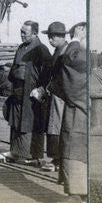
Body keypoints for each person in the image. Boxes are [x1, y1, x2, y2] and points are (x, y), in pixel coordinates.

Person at [46, 21, 89, 203]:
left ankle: (76, 196)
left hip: (78, 111)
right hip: (83, 109)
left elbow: (71, 61)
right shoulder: (89, 56)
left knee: (73, 149)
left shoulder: (79, 55)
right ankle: (83, 194)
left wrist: (75, 41)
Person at [0, 21, 51, 166]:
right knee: (16, 123)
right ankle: (16, 152)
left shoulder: (41, 49)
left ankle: (32, 155)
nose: (21, 35)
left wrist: (41, 89)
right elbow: (14, 69)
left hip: (32, 95)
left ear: (34, 33)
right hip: (18, 93)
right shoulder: (21, 48)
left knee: (31, 124)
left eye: (25, 33)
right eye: (21, 31)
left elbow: (48, 72)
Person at [40, 22, 69, 173]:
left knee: (56, 125)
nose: (50, 40)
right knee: (54, 125)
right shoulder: (59, 50)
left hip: (60, 95)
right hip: (56, 93)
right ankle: (57, 158)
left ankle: (57, 159)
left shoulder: (64, 52)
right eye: (49, 37)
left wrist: (48, 88)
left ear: (61, 37)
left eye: (52, 37)